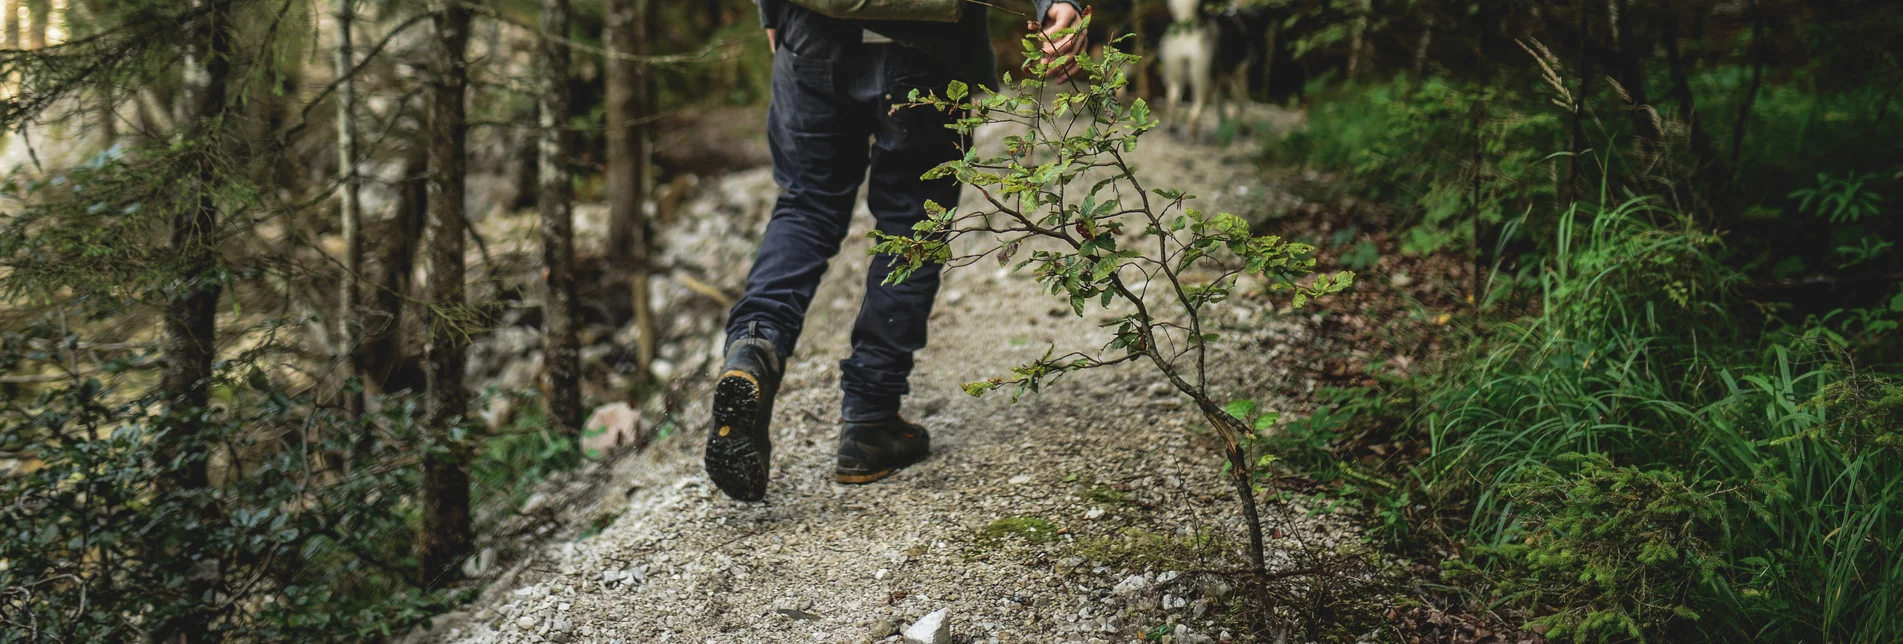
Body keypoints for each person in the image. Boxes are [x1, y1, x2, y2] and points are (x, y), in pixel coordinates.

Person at [703, 0, 1090, 501]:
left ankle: (755, 347)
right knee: (912, 223)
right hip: (925, 43)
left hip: (812, 32)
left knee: (806, 205)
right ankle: (869, 422)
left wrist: (773, 13)